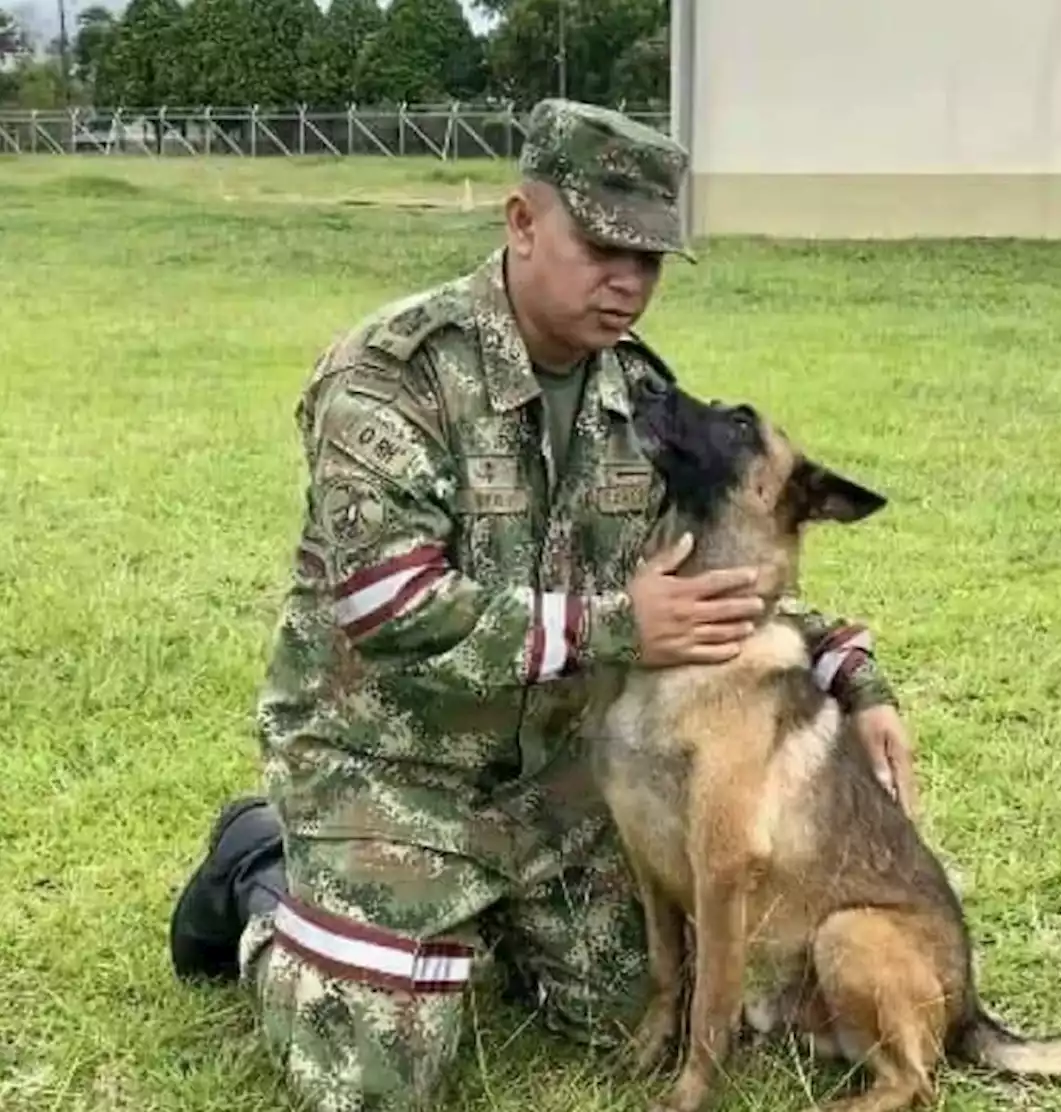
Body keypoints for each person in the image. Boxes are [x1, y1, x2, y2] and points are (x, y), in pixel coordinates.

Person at [168, 97, 917, 1111]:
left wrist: (850, 673)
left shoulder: (641, 401)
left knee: (647, 1002)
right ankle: (259, 865)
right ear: (520, 221)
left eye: (650, 259)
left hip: (558, 787)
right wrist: (615, 624)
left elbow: (717, 583)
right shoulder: (391, 377)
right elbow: (393, 607)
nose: (628, 281)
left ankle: (470, 922)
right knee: (377, 1075)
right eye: (603, 244)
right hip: (394, 769)